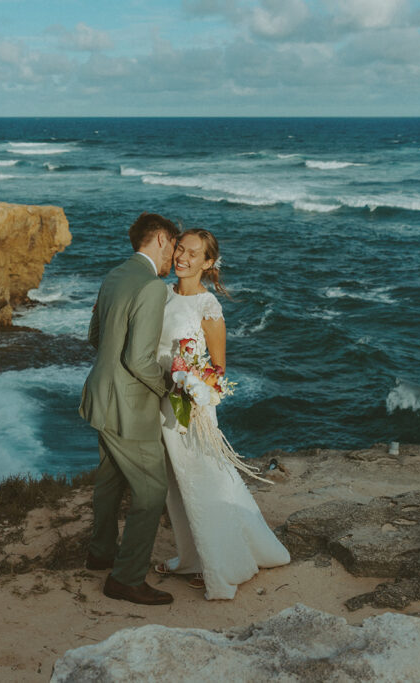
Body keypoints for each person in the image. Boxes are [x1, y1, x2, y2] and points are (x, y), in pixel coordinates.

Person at [154, 228, 290, 600]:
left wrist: (191, 386)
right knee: (177, 486)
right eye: (179, 249)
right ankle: (192, 557)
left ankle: (225, 565)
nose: (182, 257)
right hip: (162, 402)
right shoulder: (162, 295)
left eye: (193, 254)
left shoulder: (208, 307)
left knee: (205, 483)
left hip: (191, 409)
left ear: (209, 263)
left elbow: (217, 368)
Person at [79, 212, 180, 606]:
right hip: (129, 407)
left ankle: (100, 553)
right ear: (159, 239)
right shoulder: (153, 287)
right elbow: (140, 361)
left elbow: (94, 337)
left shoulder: (115, 276)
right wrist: (166, 388)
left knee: (109, 481)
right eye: (173, 244)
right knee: (152, 491)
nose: (174, 254)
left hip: (100, 397)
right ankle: (125, 578)